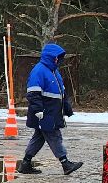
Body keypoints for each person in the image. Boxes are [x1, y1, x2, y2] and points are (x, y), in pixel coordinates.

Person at [17, 42, 83, 175]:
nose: (59, 59)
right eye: (58, 57)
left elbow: (61, 93)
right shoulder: (39, 71)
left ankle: (25, 164)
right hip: (45, 113)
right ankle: (65, 164)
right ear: (51, 57)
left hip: (51, 112)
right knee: (54, 136)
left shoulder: (54, 72)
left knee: (39, 138)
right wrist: (38, 110)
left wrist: (67, 108)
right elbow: (32, 93)